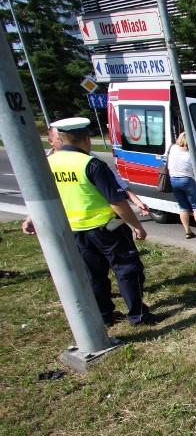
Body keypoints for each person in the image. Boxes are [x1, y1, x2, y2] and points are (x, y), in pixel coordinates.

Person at [23, 117, 159, 327]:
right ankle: (138, 315)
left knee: (94, 275)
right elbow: (116, 202)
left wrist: (30, 218)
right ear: (87, 139)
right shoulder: (91, 164)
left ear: (61, 139)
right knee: (127, 270)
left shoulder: (48, 164)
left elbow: (42, 196)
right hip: (108, 230)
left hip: (76, 230)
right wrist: (137, 226)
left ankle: (104, 315)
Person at [166, 132, 196, 239]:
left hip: (173, 180)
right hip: (187, 180)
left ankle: (187, 231)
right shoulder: (190, 154)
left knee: (183, 207)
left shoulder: (173, 149)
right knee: (195, 207)